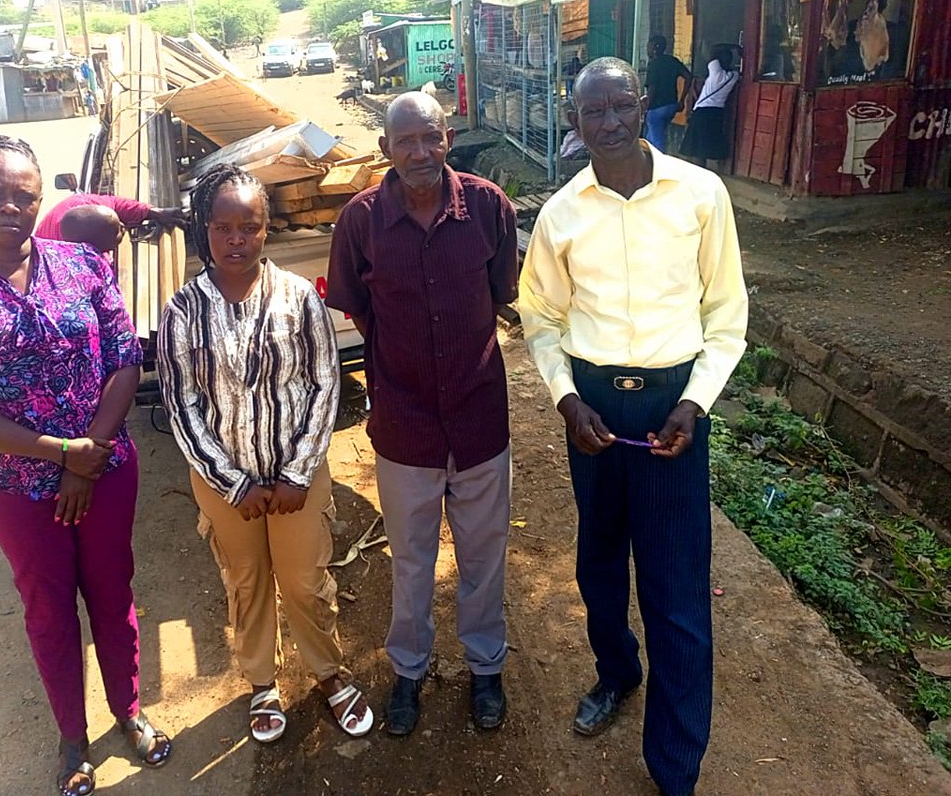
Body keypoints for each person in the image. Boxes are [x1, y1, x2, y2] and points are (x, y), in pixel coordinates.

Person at [517, 57, 747, 796]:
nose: (609, 123)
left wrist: (695, 401)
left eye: (621, 106)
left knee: (677, 586)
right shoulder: (562, 213)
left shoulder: (700, 195)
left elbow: (726, 316)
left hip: (674, 407)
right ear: (576, 122)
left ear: (644, 106)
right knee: (600, 564)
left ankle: (675, 766)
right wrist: (563, 398)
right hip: (593, 408)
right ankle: (616, 673)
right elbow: (542, 319)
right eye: (594, 113)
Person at [0, 135, 172, 796]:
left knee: (114, 595)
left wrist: (87, 461)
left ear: (40, 200)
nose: (10, 205)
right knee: (49, 609)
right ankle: (71, 738)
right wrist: (60, 455)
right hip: (17, 490)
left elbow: (125, 359)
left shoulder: (85, 265)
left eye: (23, 194)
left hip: (107, 470)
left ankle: (130, 711)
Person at [157, 163, 374, 744]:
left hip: (297, 478)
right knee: (246, 581)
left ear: (266, 228)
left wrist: (298, 472)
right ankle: (262, 684)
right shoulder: (182, 312)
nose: (236, 239)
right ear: (205, 229)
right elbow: (184, 407)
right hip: (226, 482)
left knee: (305, 581)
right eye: (223, 227)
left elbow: (325, 384)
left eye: (248, 226)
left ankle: (329, 673)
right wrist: (234, 483)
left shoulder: (299, 297)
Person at [326, 92, 518, 736]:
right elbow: (357, 306)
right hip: (404, 424)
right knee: (410, 558)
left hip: (478, 416)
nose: (420, 153)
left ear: (449, 138)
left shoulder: (489, 206)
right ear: (385, 148)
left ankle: (485, 667)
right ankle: (408, 671)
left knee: (484, 553)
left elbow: (500, 295)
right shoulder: (360, 221)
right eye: (405, 141)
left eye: (431, 137)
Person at [35, 192, 186, 246]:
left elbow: (115, 204)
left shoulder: (85, 204)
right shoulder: (77, 262)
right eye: (117, 232)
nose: (123, 226)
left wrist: (153, 212)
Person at [680, 45, 740, 169]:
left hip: (702, 111)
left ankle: (699, 172)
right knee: (710, 145)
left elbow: (712, 50)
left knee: (697, 148)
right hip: (717, 113)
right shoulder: (733, 76)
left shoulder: (715, 72)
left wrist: (733, 46)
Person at [643, 35, 692, 153]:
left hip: (656, 107)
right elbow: (688, 76)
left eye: (649, 46)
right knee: (653, 135)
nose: (647, 49)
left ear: (655, 48)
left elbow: (652, 88)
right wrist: (682, 100)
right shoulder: (671, 60)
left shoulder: (654, 64)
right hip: (671, 105)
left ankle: (658, 162)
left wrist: (646, 106)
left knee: (655, 138)